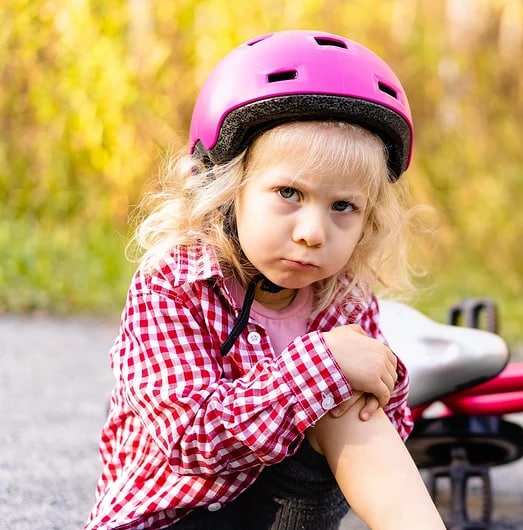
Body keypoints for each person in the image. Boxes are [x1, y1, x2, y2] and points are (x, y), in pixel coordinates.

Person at [85, 30, 445, 530]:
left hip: (284, 513)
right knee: (332, 376)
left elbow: (387, 433)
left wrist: (372, 381)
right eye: (288, 193)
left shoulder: (344, 299)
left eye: (343, 206)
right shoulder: (174, 284)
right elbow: (193, 441)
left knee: (346, 401)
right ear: (226, 187)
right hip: (174, 517)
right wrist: (322, 366)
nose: (313, 232)